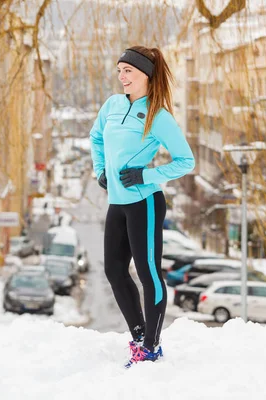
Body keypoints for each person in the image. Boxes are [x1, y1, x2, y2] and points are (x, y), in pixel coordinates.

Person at [89, 46, 195, 368]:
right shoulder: (112, 105)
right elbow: (96, 137)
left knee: (149, 274)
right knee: (114, 270)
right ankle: (138, 335)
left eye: (128, 71)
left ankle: (151, 345)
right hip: (117, 203)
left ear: (145, 75)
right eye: (119, 70)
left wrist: (147, 174)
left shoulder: (157, 115)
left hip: (145, 203)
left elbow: (185, 161)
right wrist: (101, 170)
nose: (122, 77)